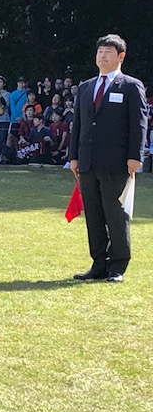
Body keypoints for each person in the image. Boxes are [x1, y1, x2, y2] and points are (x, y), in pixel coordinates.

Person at [70, 34, 148, 283]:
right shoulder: (85, 87)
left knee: (115, 214)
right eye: (100, 51)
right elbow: (78, 125)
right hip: (88, 162)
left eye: (108, 52)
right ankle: (98, 264)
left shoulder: (130, 86)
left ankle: (117, 266)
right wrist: (73, 157)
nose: (102, 56)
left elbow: (139, 124)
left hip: (117, 162)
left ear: (121, 56)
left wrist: (135, 156)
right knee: (93, 215)